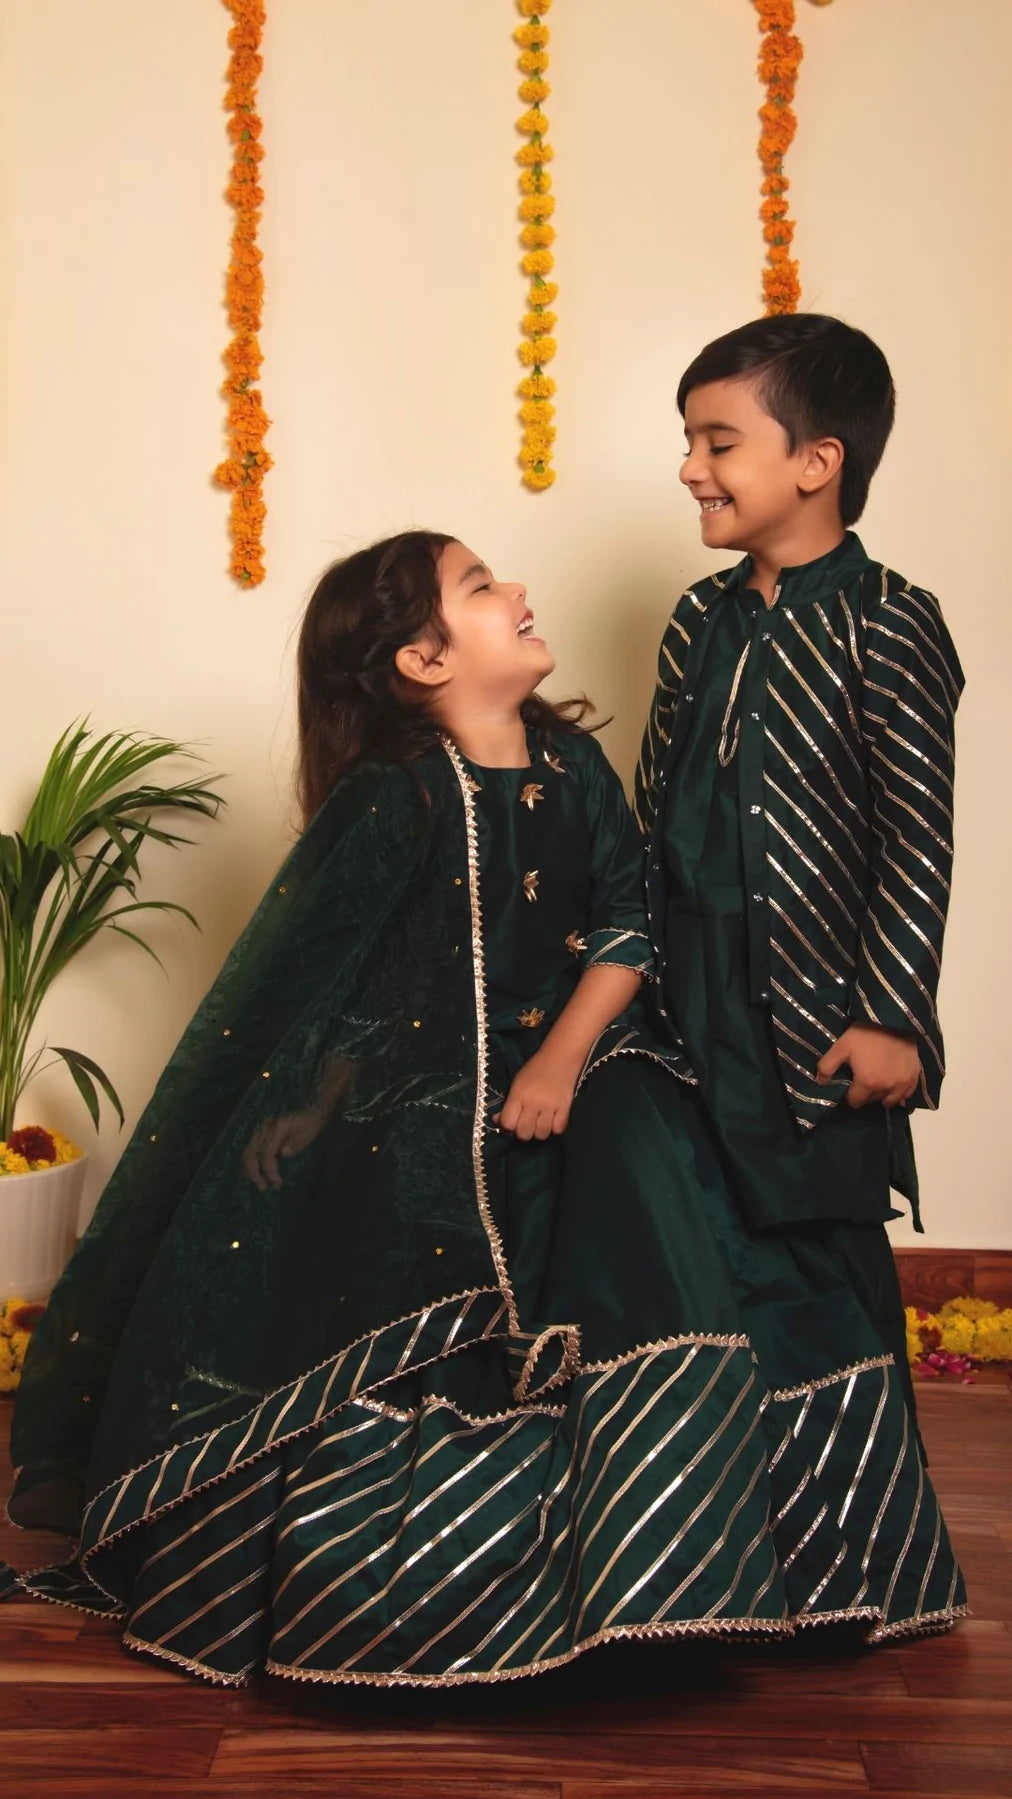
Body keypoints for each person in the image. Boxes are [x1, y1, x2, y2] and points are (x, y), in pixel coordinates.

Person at [4, 528, 963, 1689]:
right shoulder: (397, 797)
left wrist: (557, 1062)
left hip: (587, 1064)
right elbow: (351, 985)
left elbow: (628, 928)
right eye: (478, 585)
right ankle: (451, 1575)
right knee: (387, 1237)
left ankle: (676, 1566)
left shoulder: (574, 765)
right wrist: (311, 1111)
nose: (514, 588)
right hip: (430, 1087)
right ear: (422, 659)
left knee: (653, 1190)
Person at [636, 313, 963, 1450]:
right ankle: (727, 1512)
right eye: (689, 441)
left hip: (816, 1013)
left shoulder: (889, 621)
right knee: (698, 1252)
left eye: (719, 442)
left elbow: (919, 836)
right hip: (680, 1001)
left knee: (819, 1253)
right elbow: (652, 812)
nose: (691, 468)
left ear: (817, 461)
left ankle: (861, 1516)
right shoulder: (698, 620)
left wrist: (890, 1016)